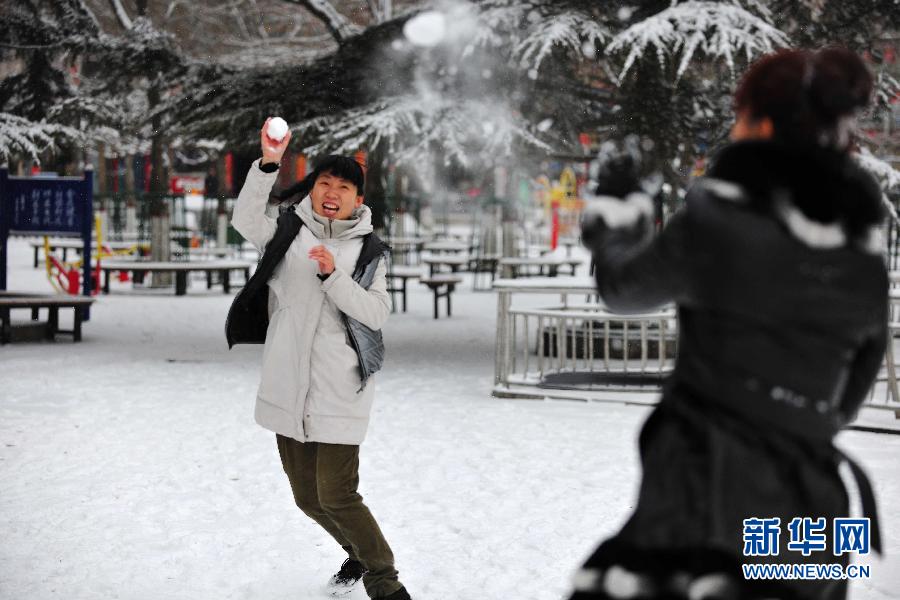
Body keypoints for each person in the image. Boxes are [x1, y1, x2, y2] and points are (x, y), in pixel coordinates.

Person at [572, 47, 887, 600]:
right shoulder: (862, 247)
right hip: (812, 496)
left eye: (741, 115)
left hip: (704, 488)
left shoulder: (720, 220)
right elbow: (858, 376)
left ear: (762, 124)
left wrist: (618, 216)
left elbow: (623, 289)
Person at [228, 119, 412, 600]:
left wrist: (334, 277)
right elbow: (245, 219)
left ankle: (384, 581)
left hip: (339, 389)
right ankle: (355, 549)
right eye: (324, 183)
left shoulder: (369, 251)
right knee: (307, 497)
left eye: (344, 187)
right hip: (287, 384)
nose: (332, 192)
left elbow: (376, 312)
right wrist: (268, 163)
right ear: (312, 190)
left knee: (336, 493)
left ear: (358, 199)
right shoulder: (287, 233)